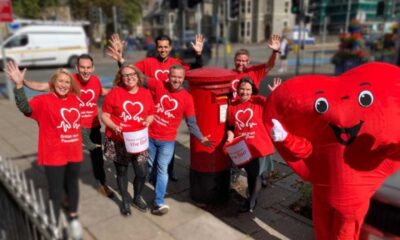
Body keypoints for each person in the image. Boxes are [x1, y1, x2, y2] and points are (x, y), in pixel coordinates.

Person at [107, 33, 206, 182]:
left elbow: (195, 70)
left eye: (166, 47)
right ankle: (148, 173)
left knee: (168, 143)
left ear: (170, 47)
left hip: (168, 109)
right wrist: (121, 59)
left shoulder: (175, 62)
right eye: (160, 46)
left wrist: (198, 54)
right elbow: (131, 71)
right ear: (156, 47)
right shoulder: (148, 62)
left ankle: (169, 171)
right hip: (150, 110)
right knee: (149, 145)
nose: (163, 49)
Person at [5, 62, 83, 238]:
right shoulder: (43, 101)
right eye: (60, 81)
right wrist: (19, 84)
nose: (64, 85)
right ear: (53, 83)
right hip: (54, 155)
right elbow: (25, 108)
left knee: (72, 186)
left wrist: (89, 143)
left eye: (67, 82)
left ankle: (73, 217)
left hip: (74, 152)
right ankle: (52, 225)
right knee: (55, 193)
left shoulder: (73, 99)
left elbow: (78, 125)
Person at [23, 54, 114, 198]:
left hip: (93, 126)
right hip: (73, 128)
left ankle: (101, 183)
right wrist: (21, 81)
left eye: (88, 67)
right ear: (77, 68)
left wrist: (123, 89)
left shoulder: (96, 80)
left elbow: (103, 92)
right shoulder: (69, 81)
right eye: (82, 67)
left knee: (97, 158)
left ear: (93, 68)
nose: (85, 70)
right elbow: (42, 86)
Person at [143, 64, 214, 215]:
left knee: (162, 169)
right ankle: (157, 187)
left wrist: (201, 138)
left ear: (183, 79)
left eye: (179, 77)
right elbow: (138, 78)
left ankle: (158, 202)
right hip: (149, 136)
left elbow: (191, 122)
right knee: (150, 168)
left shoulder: (187, 98)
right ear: (168, 76)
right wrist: (122, 61)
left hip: (167, 140)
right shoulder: (158, 84)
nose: (176, 80)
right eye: (173, 76)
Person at [101, 64, 155, 216]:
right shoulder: (114, 93)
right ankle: (125, 200)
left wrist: (148, 121)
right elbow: (104, 115)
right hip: (119, 139)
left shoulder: (145, 93)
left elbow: (151, 113)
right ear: (121, 78)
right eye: (125, 75)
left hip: (139, 140)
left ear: (138, 76)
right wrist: (114, 126)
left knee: (142, 171)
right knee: (122, 171)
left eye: (133, 74)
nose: (130, 77)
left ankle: (137, 197)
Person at [229, 34, 281, 186]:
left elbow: (269, 65)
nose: (241, 63)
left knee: (259, 146)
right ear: (234, 60)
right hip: (235, 113)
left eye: (244, 60)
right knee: (237, 146)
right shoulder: (229, 75)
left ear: (248, 61)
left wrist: (275, 52)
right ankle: (236, 171)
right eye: (239, 60)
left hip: (254, 114)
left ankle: (262, 175)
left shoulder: (253, 72)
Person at [226, 76, 281, 213]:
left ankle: (252, 201)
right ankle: (258, 186)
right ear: (237, 90)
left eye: (248, 89)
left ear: (252, 91)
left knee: (253, 176)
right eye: (242, 89)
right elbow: (231, 126)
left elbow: (275, 107)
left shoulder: (259, 101)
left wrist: (275, 94)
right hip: (242, 147)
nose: (244, 92)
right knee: (249, 173)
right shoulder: (233, 105)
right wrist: (229, 137)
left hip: (258, 146)